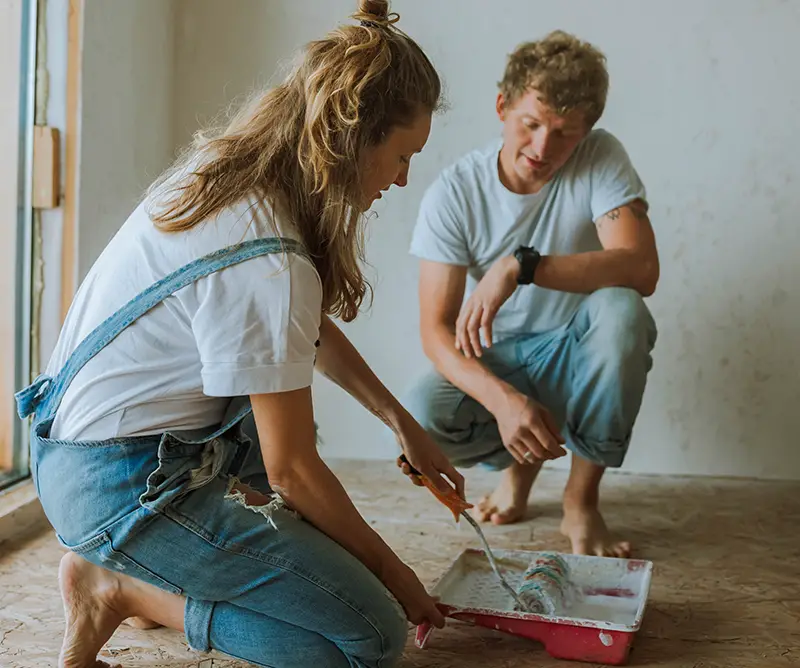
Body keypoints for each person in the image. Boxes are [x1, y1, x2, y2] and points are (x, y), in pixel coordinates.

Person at [16, 3, 465, 667]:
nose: (401, 179)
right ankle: (123, 586)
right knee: (368, 637)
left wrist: (402, 424)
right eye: (401, 156)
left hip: (86, 450)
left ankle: (148, 572)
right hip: (123, 488)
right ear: (353, 141)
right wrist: (398, 578)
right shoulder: (271, 259)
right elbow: (291, 468)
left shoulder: (233, 178)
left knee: (300, 479)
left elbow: (296, 332)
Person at [401, 30, 659, 558]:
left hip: (575, 351)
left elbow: (641, 269)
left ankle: (580, 502)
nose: (543, 148)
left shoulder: (601, 156)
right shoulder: (455, 193)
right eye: (531, 124)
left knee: (622, 310)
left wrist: (523, 267)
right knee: (426, 409)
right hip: (505, 359)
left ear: (586, 132)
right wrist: (503, 400)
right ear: (502, 106)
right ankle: (519, 472)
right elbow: (435, 331)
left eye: (564, 134)